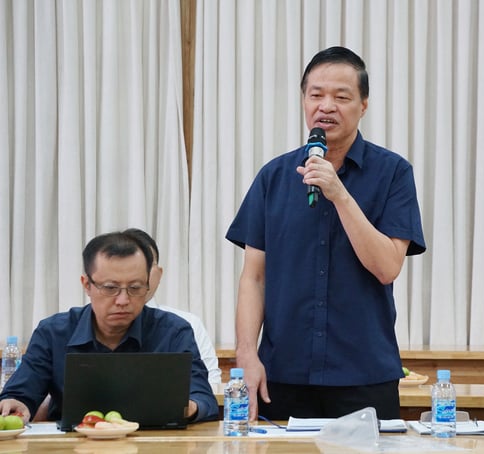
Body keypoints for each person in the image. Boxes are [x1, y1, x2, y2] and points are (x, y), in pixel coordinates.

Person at [226, 46, 426, 421]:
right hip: (282, 375)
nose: (326, 106)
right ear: (303, 101)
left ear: (363, 105)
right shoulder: (274, 177)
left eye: (341, 96)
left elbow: (387, 267)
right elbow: (253, 278)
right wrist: (246, 356)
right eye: (316, 95)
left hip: (363, 375)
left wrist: (339, 194)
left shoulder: (393, 173)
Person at [0, 231, 219, 423]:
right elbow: (20, 393)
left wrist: (188, 406)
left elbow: (204, 399)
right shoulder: (53, 332)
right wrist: (15, 404)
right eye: (111, 288)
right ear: (87, 285)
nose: (123, 300)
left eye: (135, 287)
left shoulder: (173, 331)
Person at [123, 228, 223, 385]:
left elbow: (210, 383)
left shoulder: (187, 324)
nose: (138, 274)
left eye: (147, 264)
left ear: (159, 273)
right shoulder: (93, 322)